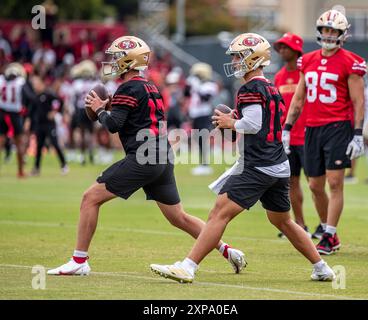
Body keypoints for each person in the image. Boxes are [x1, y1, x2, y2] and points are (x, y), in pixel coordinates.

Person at [47, 36, 246, 276]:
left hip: (144, 157)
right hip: (162, 156)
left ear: (130, 60)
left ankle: (79, 261)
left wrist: (100, 108)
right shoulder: (150, 86)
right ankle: (228, 251)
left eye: (118, 56)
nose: (114, 61)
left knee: (90, 198)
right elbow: (137, 117)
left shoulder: (127, 87)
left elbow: (113, 126)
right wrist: (110, 107)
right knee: (178, 217)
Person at [150, 33, 335, 283]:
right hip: (277, 163)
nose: (235, 61)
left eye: (239, 56)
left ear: (254, 58)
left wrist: (231, 122)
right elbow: (265, 120)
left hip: (258, 165)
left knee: (218, 214)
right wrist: (236, 119)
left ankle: (188, 266)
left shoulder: (250, 87)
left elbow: (254, 124)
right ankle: (322, 267)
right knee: (284, 221)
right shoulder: (269, 86)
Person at [282, 9, 366, 255]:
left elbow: (358, 101)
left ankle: (328, 234)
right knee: (315, 185)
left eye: (334, 31)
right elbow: (298, 98)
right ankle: (331, 232)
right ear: (319, 31)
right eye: (326, 30)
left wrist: (358, 133)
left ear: (342, 34)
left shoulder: (351, 61)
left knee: (334, 182)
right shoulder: (307, 60)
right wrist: (287, 128)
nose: (329, 35)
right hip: (311, 127)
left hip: (338, 126)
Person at [273, 32, 311, 238]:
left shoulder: (305, 73)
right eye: (280, 47)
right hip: (287, 138)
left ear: (296, 50)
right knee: (291, 182)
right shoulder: (279, 76)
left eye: (285, 47)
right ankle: (300, 225)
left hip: (307, 136)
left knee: (315, 184)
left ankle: (325, 225)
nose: (282, 50)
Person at [29, 74, 68, 176]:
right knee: (39, 147)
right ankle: (36, 168)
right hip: (39, 125)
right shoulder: (35, 97)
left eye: (37, 84)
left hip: (49, 125)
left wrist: (55, 112)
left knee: (55, 144)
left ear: (42, 84)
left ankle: (64, 165)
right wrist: (29, 121)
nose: (35, 86)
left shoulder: (48, 94)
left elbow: (59, 102)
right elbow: (32, 111)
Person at [185, 62, 218, 176]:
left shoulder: (209, 85)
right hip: (195, 115)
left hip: (204, 115)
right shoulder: (195, 83)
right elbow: (186, 94)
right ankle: (202, 164)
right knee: (198, 140)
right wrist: (188, 85)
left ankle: (205, 165)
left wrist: (197, 86)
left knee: (202, 139)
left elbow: (205, 99)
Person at [0, 63, 28, 177]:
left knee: (0, 141)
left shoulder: (1, 80)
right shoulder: (20, 82)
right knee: (19, 142)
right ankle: (20, 171)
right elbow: (28, 97)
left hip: (1, 113)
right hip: (15, 115)